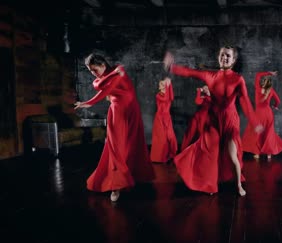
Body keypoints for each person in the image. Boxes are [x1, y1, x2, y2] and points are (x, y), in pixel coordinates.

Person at [163, 46, 263, 196]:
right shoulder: (209, 75)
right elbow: (190, 72)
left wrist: (255, 123)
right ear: (218, 57)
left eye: (228, 56)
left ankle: (238, 185)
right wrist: (172, 67)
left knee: (232, 155)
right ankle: (210, 184)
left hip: (230, 122)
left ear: (233, 60)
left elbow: (245, 101)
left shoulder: (237, 79)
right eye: (222, 55)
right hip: (213, 121)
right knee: (210, 153)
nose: (224, 58)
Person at [74, 53, 154, 202]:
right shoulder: (101, 79)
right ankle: (116, 185)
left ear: (103, 65)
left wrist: (89, 102)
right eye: (90, 72)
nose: (93, 74)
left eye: (94, 70)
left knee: (133, 144)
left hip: (132, 111)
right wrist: (89, 101)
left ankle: (132, 176)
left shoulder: (119, 70)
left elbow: (106, 88)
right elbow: (98, 86)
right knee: (116, 148)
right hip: (117, 112)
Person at [242, 71, 282, 160]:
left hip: (258, 114)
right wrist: (275, 106)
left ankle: (257, 153)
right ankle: (269, 154)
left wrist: (270, 73)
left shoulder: (258, 88)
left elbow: (258, 75)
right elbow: (278, 101)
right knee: (269, 133)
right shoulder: (271, 91)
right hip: (268, 114)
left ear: (262, 82)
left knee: (257, 133)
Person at [151, 77, 178, 163]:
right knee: (162, 139)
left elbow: (171, 97)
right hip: (159, 118)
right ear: (160, 87)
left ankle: (172, 154)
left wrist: (170, 85)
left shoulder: (167, 94)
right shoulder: (158, 95)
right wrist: (168, 84)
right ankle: (159, 158)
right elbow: (166, 99)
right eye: (162, 84)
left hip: (167, 118)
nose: (163, 85)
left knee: (171, 137)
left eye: (164, 84)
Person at [180, 85, 211, 151]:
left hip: (205, 119)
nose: (205, 89)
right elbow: (197, 101)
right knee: (190, 132)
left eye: (206, 88)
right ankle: (183, 150)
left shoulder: (213, 98)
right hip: (197, 117)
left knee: (201, 134)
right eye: (204, 88)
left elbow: (213, 103)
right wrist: (199, 92)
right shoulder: (204, 97)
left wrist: (208, 93)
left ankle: (200, 152)